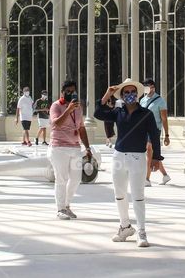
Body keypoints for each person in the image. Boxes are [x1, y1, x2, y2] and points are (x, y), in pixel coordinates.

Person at [94, 79, 161, 248]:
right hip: (119, 157)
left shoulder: (146, 114)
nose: (130, 95)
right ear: (122, 96)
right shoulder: (118, 112)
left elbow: (154, 136)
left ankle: (142, 231)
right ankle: (124, 226)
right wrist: (107, 94)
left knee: (138, 196)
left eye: (133, 92)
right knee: (119, 194)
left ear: (137, 95)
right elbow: (98, 113)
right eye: (126, 93)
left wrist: (156, 158)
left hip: (138, 157)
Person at [49, 80, 92, 220]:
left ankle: (66, 205)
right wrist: (68, 109)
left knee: (76, 179)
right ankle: (60, 208)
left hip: (74, 147)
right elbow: (56, 123)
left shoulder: (78, 108)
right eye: (68, 91)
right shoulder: (56, 106)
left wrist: (87, 147)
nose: (71, 94)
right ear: (62, 92)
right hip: (59, 147)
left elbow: (81, 128)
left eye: (73, 91)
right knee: (61, 178)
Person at [140, 79, 171, 186]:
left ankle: (147, 179)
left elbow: (164, 119)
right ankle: (165, 175)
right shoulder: (142, 100)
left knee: (149, 151)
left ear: (153, 87)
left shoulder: (160, 101)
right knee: (151, 154)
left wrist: (166, 135)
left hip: (154, 130)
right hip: (144, 130)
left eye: (148, 86)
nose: (147, 89)